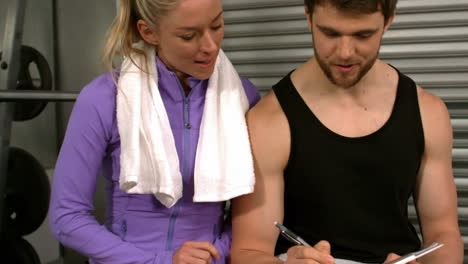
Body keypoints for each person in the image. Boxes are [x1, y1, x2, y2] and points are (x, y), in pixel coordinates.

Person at [230, 0, 463, 263]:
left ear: (388, 21)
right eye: (330, 33)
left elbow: (443, 233)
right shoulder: (269, 120)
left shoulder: (427, 112)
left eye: (363, 35)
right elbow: (249, 252)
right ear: (308, 17)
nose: (344, 53)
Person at [48, 0, 260, 263]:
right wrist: (161, 261)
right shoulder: (104, 98)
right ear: (148, 32)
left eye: (216, 25)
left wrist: (215, 253)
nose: (211, 46)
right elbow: (66, 217)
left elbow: (253, 214)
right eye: (188, 36)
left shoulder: (242, 98)